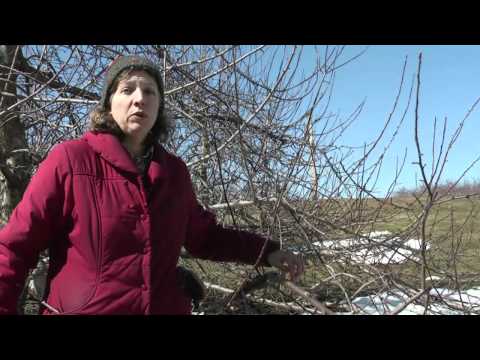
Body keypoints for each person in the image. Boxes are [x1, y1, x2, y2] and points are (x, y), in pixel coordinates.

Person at [0, 55, 304, 315]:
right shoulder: (71, 161)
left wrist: (268, 252)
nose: (139, 98)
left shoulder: (174, 173)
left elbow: (206, 238)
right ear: (109, 104)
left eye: (150, 91)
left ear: (158, 107)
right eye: (127, 89)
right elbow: (14, 247)